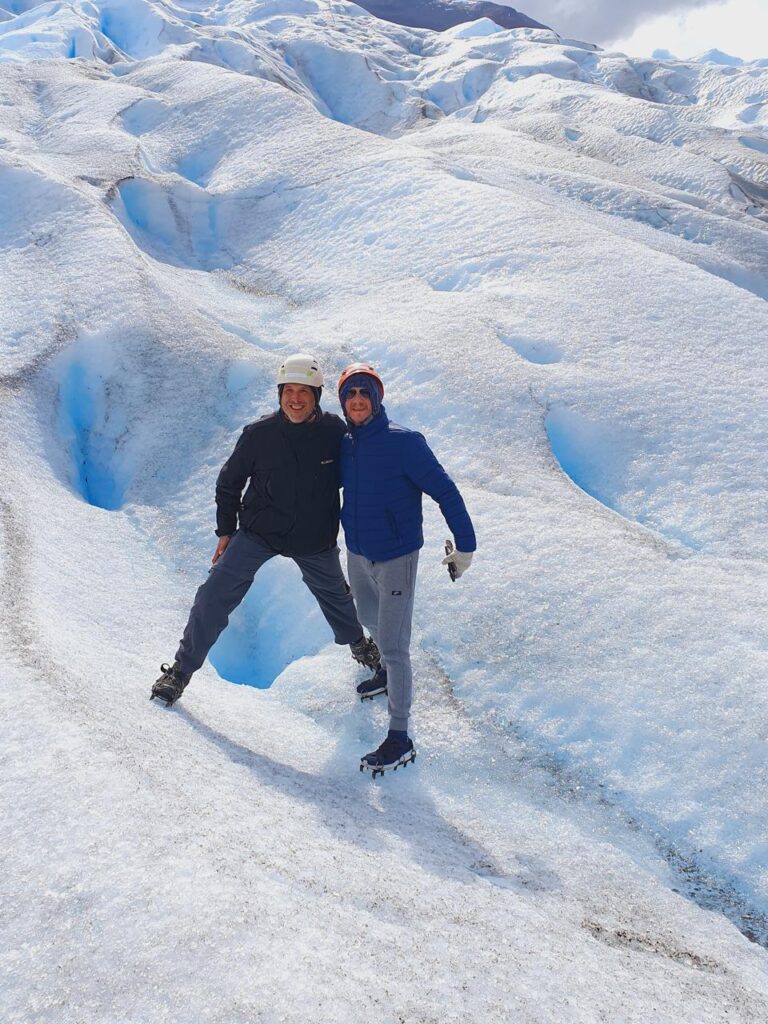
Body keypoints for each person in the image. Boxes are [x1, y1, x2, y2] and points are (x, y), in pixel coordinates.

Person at [151, 354, 380, 706]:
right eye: (289, 390)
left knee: (336, 598)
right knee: (213, 593)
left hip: (314, 538)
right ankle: (180, 672)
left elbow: (364, 468)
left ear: (316, 395)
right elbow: (229, 483)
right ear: (279, 393)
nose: (296, 399)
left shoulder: (335, 433)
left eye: (304, 391)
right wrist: (226, 531)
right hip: (259, 532)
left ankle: (361, 648)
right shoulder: (259, 435)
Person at [337, 362, 476, 776]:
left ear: (377, 399)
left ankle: (400, 736)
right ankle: (382, 674)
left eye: (365, 393)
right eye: (351, 394)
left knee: (396, 645)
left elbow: (445, 491)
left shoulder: (405, 442)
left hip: (397, 555)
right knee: (366, 618)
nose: (358, 400)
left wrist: (465, 545)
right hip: (358, 552)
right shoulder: (344, 443)